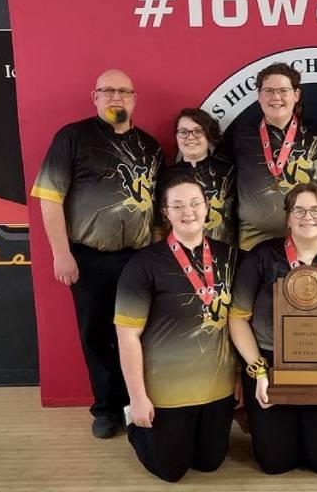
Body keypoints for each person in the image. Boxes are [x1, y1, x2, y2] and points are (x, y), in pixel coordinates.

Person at [30, 69, 163, 439]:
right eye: (108, 91)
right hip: (90, 258)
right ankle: (107, 408)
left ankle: (139, 403)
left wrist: (154, 252)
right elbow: (50, 198)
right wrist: (61, 254)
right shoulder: (73, 137)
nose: (116, 97)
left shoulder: (150, 147)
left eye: (123, 91)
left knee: (142, 334)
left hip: (138, 258)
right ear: (95, 97)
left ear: (134, 98)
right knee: (97, 335)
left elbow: (156, 208)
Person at [229, 182, 317, 475]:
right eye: (299, 210)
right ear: (288, 217)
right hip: (271, 368)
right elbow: (237, 318)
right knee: (274, 463)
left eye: (316, 210)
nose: (308, 217)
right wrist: (258, 372)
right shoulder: (262, 256)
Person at [115, 175, 238, 482]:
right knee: (171, 471)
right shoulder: (144, 264)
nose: (189, 212)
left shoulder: (231, 256)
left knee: (210, 463)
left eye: (195, 203)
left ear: (207, 206)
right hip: (166, 390)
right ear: (165, 212)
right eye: (178, 205)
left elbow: (241, 324)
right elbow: (127, 336)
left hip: (217, 387)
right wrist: (138, 397)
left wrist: (238, 376)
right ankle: (132, 422)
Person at [227, 63, 317, 251]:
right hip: (252, 240)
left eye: (283, 90)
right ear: (259, 95)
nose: (276, 97)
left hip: (307, 237)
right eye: (269, 90)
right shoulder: (240, 133)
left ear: (296, 95)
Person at [160, 108, 236, 246]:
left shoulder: (229, 172)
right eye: (183, 132)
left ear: (209, 135)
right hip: (179, 256)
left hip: (225, 254)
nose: (190, 137)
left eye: (198, 131)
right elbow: (159, 225)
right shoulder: (165, 177)